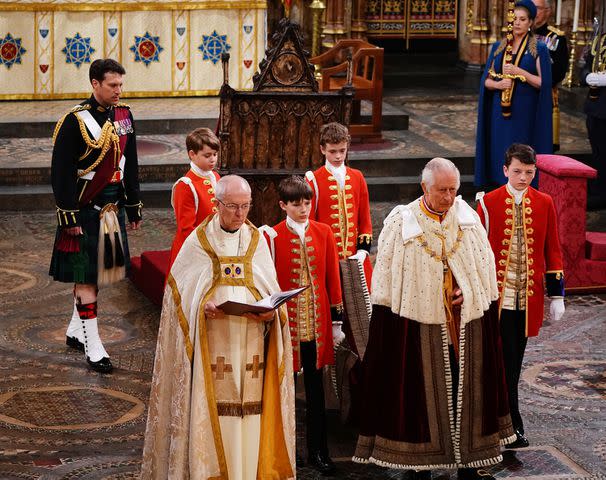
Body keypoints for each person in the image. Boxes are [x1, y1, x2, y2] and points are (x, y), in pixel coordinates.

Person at [353, 158, 514, 480]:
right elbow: (386, 285)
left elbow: (484, 273)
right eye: (442, 190)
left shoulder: (467, 219)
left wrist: (467, 290)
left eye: (454, 189)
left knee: (467, 393)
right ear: (425, 187)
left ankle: (470, 460)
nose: (449, 197)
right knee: (420, 398)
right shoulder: (401, 223)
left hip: (463, 327)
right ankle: (419, 463)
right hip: (416, 328)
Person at [141, 175, 295, 480]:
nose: (240, 214)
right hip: (212, 351)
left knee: (252, 417)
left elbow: (270, 289)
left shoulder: (256, 242)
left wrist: (271, 317)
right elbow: (178, 297)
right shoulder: (198, 243)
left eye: (246, 206)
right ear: (216, 204)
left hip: (252, 353)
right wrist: (201, 308)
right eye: (233, 207)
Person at [49, 58, 142, 374]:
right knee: (86, 277)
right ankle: (93, 345)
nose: (118, 90)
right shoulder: (75, 122)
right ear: (95, 84)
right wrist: (69, 219)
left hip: (113, 209)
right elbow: (60, 174)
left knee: (98, 275)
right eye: (112, 85)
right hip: (84, 209)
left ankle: (76, 329)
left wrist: (133, 206)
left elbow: (130, 163)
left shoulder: (124, 116)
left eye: (121, 84)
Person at [476, 143, 565, 448]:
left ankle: (508, 422)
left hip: (526, 301)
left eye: (529, 172)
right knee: (501, 362)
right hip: (494, 300)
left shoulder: (544, 202)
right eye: (517, 171)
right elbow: (478, 254)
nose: (523, 177)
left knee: (513, 361)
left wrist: (557, 295)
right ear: (505, 170)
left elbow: (552, 249)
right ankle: (510, 424)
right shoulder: (487, 203)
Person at [261, 175, 343, 476]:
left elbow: (332, 278)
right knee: (285, 392)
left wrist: (336, 322)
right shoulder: (273, 237)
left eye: (307, 203)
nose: (304, 209)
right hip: (287, 329)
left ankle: (319, 451)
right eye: (296, 204)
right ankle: (287, 450)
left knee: (316, 394)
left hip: (317, 328)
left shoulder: (324, 232)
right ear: (283, 205)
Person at [475, 0, 553, 187]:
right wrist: (498, 84)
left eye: (522, 19)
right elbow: (486, 81)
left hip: (524, 111)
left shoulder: (538, 48)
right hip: (499, 111)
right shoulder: (498, 47)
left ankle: (521, 186)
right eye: (514, 19)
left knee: (519, 149)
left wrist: (521, 73)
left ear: (530, 23)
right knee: (499, 147)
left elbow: (544, 83)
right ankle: (497, 184)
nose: (517, 23)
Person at [306, 122, 373, 283]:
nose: (338, 156)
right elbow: (311, 222)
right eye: (332, 151)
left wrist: (363, 251)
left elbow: (364, 217)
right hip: (327, 258)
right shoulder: (313, 179)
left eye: (342, 151)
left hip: (355, 256)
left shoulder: (357, 177)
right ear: (322, 149)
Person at [168, 127, 220, 270]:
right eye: (207, 155)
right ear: (192, 154)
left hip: (215, 245)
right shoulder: (185, 185)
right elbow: (186, 229)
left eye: (215, 154)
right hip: (193, 251)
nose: (213, 159)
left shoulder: (215, 177)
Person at [532, 0, 569, 151]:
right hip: (519, 94)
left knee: (542, 144)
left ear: (548, 11)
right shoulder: (519, 35)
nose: (533, 11)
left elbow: (558, 72)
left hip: (543, 95)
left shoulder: (556, 38)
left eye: (538, 8)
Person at [581, 10, 606, 210]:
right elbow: (588, 63)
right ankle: (600, 190)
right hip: (596, 107)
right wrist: (587, 76)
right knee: (598, 151)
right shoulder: (601, 38)